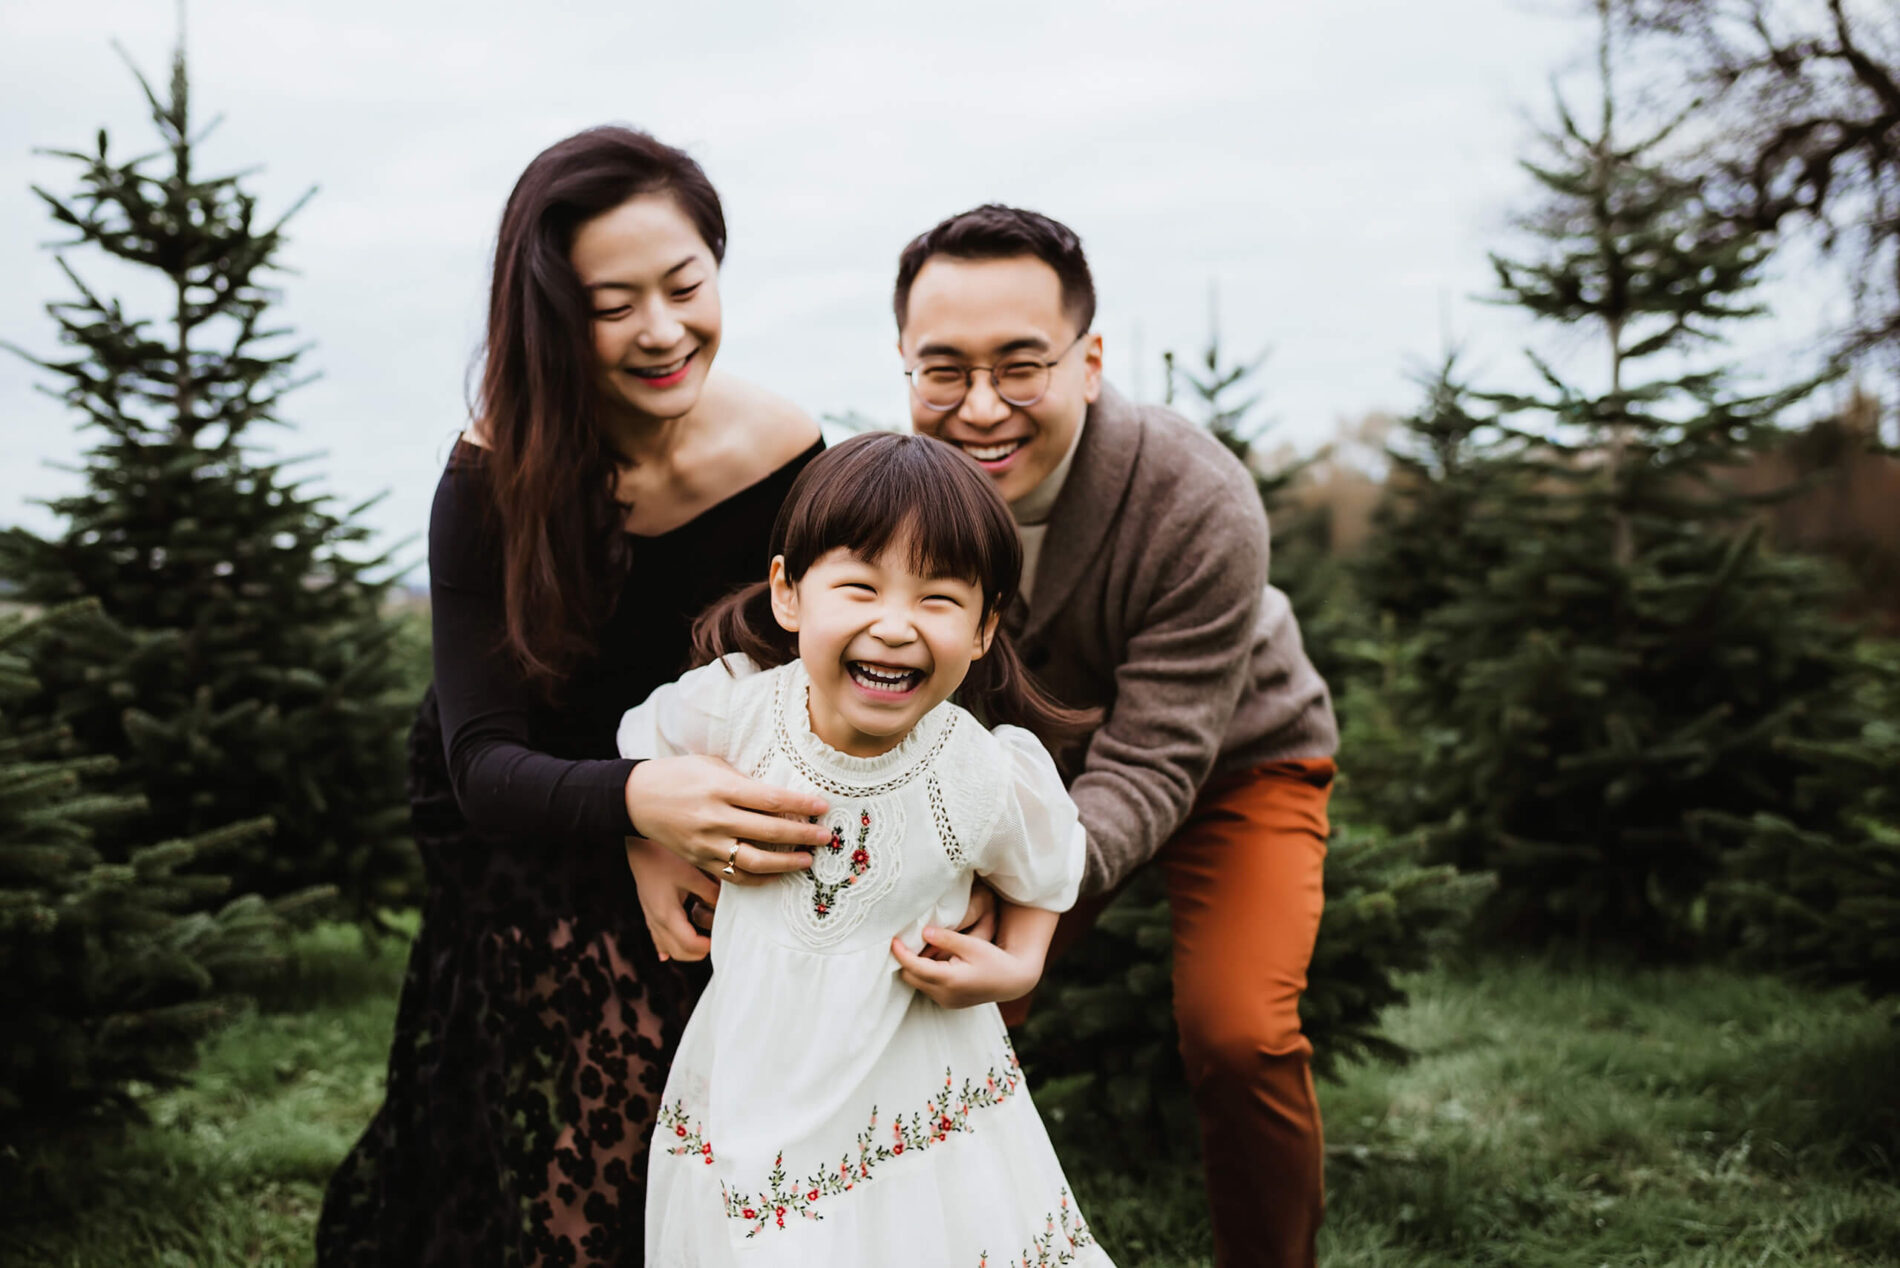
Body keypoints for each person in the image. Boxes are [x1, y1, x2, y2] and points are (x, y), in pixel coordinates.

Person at [316, 126, 841, 1268]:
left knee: (745, 1074)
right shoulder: (492, 478)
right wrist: (638, 814)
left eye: (685, 284)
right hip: (521, 810)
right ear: (551, 314)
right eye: (613, 303)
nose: (662, 329)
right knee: (623, 1066)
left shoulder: (787, 448)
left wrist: (678, 819)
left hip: (695, 786)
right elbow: (484, 765)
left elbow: (803, 676)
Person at [893, 206, 1340, 1268]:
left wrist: (1033, 897)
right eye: (942, 371)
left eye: (1021, 365)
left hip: (1233, 758)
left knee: (1239, 1030)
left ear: (1090, 360)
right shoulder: (902, 500)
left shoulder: (1199, 497)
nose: (981, 407)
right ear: (904, 364)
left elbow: (1154, 758)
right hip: (1023, 776)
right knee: (926, 991)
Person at [619, 432, 1112, 1268]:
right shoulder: (735, 711)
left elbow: (1050, 864)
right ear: (789, 595)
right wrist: (651, 852)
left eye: (938, 600)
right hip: (758, 1075)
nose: (894, 627)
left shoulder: (977, 772)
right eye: (859, 587)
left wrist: (1022, 962)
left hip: (917, 1092)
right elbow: (638, 759)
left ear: (986, 626)